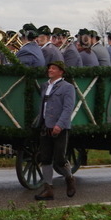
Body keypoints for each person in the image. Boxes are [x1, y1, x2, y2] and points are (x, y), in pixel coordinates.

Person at [34, 61, 76, 200]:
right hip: (45, 126)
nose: (50, 70)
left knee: (59, 158)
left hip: (59, 127)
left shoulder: (68, 87)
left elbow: (68, 108)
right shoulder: (45, 86)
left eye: (53, 68)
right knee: (45, 158)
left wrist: (60, 125)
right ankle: (48, 189)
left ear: (61, 72)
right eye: (49, 68)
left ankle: (69, 178)